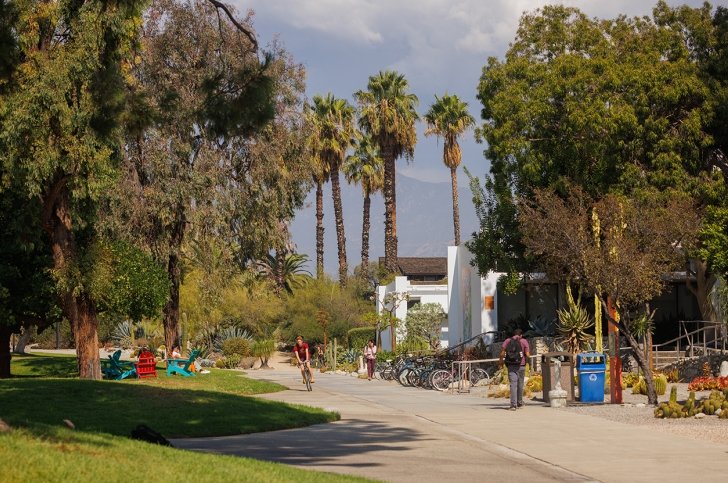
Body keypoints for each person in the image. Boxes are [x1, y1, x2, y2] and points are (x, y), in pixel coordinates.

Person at [499, 328, 530, 410]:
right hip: (521, 365)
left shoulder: (507, 341)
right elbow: (527, 354)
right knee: (520, 384)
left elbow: (502, 353)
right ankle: (519, 402)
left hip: (511, 365)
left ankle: (513, 405)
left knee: (513, 384)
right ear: (521, 335)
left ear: (513, 334)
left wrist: (501, 363)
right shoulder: (524, 341)